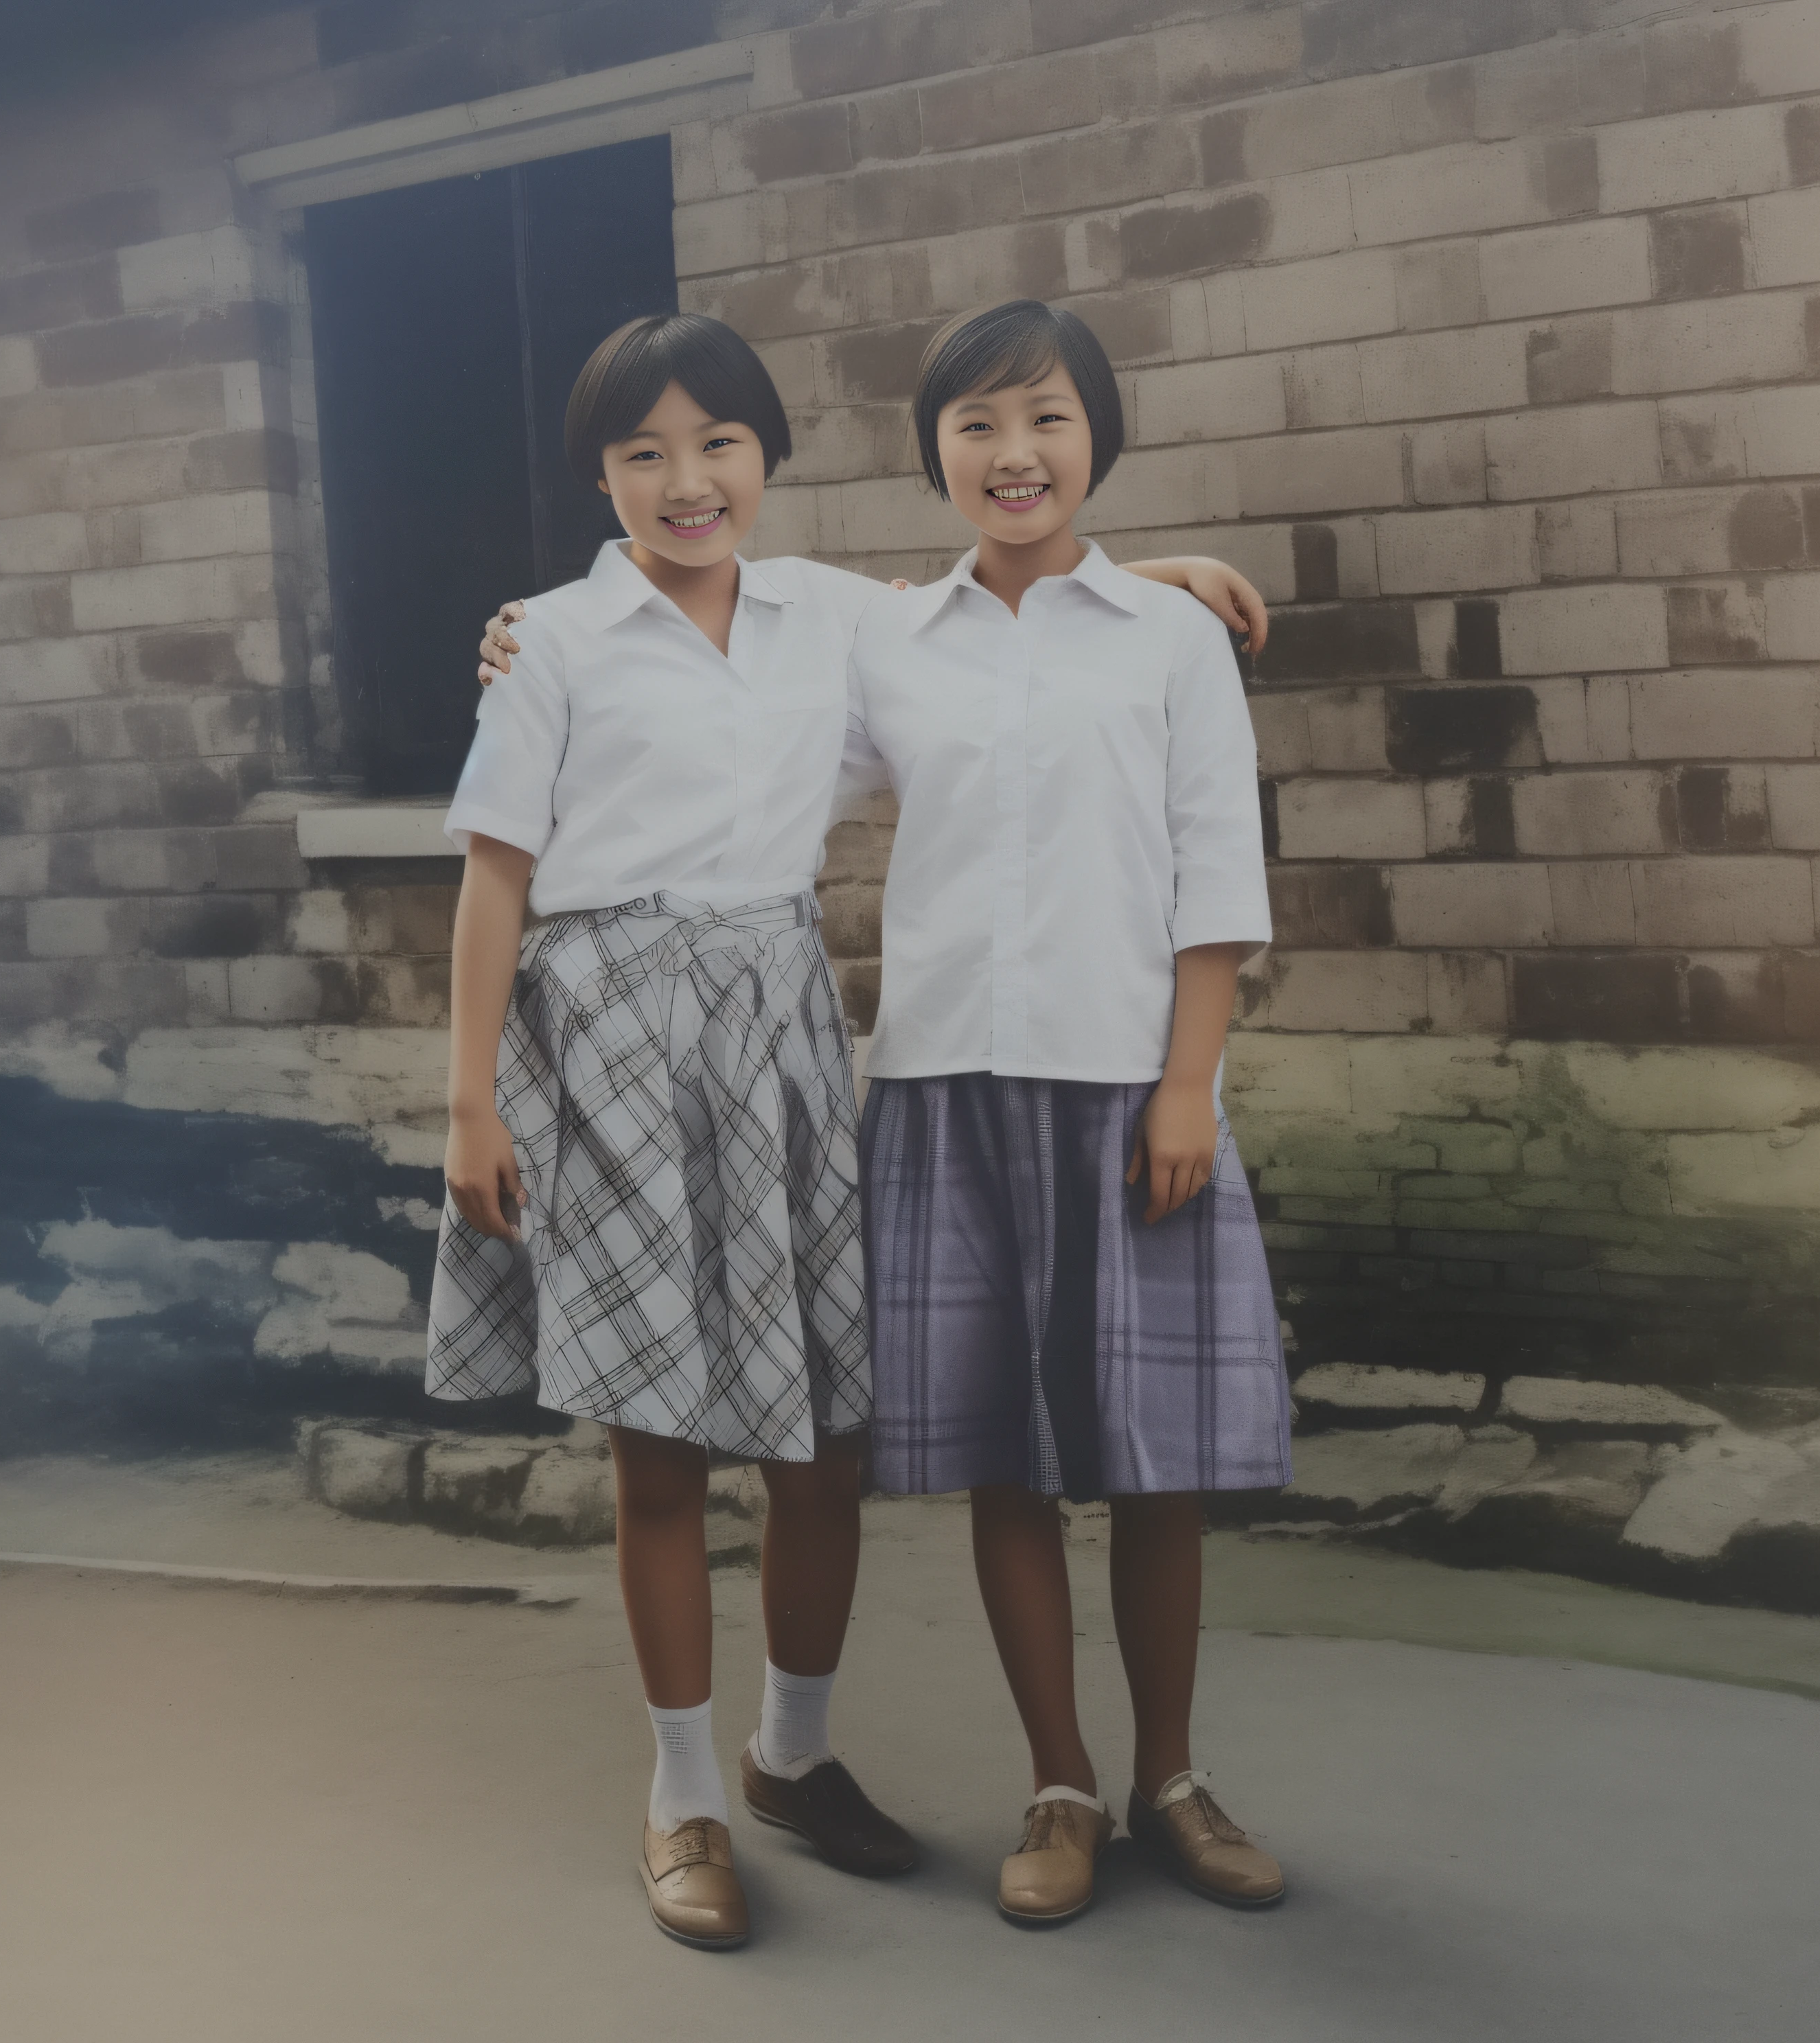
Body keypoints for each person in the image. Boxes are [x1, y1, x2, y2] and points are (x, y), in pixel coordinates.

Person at [444, 310, 1269, 1951]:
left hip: (802, 1046)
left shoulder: (835, 614)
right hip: (667, 1047)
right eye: (643, 455)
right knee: (686, 1440)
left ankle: (825, 1761)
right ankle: (703, 1794)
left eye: (719, 445)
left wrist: (1156, 573)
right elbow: (496, 869)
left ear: (772, 458)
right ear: (597, 476)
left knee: (837, 1438)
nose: (687, 482)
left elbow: (1028, 613)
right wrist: (469, 1097)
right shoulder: (586, 639)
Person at [844, 299, 1291, 1927]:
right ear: (935, 455)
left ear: (1095, 435)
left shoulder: (1168, 641)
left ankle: (1171, 1776)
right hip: (945, 1087)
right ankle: (1060, 1783)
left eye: (1043, 419)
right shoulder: (888, 642)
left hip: (1129, 1091)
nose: (1011, 454)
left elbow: (1216, 875)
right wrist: (529, 636)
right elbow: (734, 690)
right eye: (974, 425)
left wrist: (1190, 1083)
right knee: (1005, 1462)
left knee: (1149, 1460)